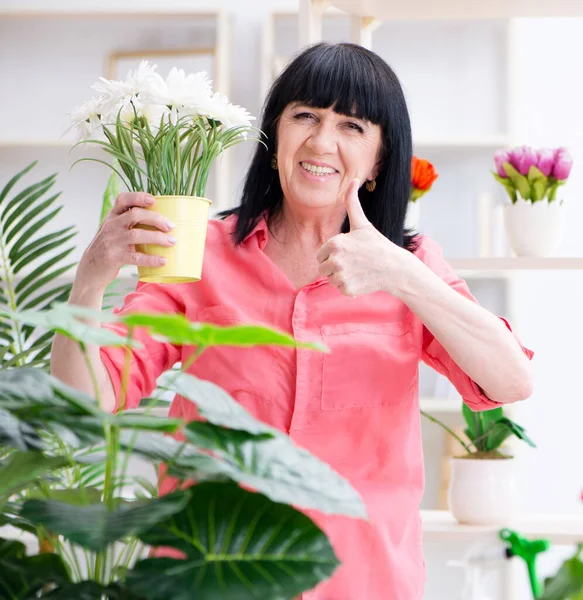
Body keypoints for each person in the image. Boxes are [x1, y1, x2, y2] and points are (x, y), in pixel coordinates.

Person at [51, 42, 534, 600]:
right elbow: (82, 402)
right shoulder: (199, 253)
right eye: (305, 115)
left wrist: (401, 275)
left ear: (379, 160)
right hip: (213, 578)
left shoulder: (411, 266)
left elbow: (510, 381)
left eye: (352, 125)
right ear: (273, 136)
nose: (321, 142)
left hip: (362, 584)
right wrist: (90, 280)